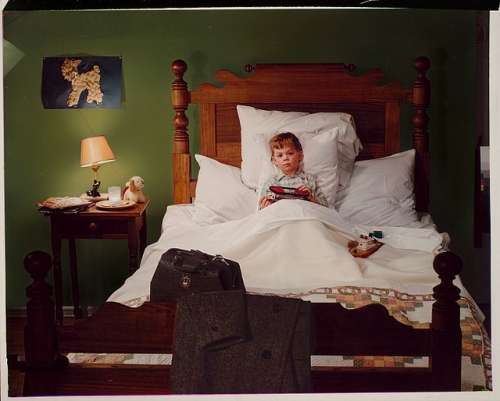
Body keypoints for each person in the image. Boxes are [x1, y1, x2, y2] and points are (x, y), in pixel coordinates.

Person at [258, 132, 328, 209]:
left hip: (304, 215)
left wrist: (311, 198)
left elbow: (325, 206)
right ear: (274, 161)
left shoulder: (309, 180)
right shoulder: (271, 183)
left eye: (290, 153)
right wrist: (265, 206)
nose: (285, 158)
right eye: (280, 155)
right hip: (280, 216)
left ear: (300, 156)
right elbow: (261, 208)